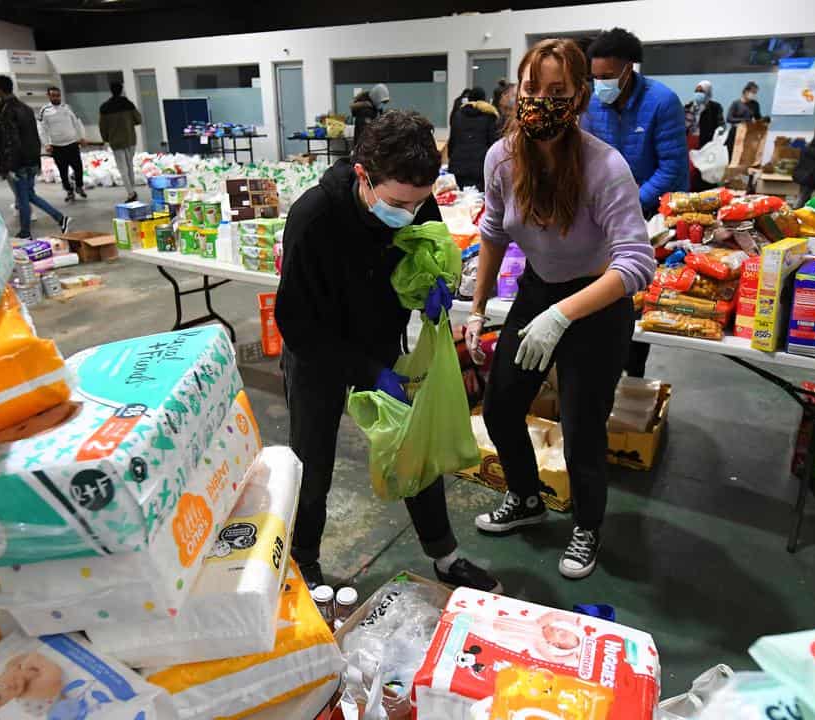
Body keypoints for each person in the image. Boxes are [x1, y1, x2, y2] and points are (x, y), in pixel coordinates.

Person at [275, 109, 500, 594]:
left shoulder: (417, 202)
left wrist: (436, 284)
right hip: (319, 352)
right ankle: (304, 561)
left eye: (419, 203)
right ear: (364, 175)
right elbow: (294, 322)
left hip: (384, 342)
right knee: (312, 463)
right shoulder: (314, 217)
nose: (410, 212)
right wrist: (364, 371)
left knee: (414, 448)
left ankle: (446, 556)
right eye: (399, 201)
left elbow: (429, 246)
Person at [467, 39, 654, 580]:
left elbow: (637, 263)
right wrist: (478, 308)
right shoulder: (501, 157)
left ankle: (587, 526)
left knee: (581, 425)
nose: (540, 101)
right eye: (531, 89)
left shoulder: (605, 166)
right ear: (515, 91)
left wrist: (563, 314)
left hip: (598, 302)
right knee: (501, 406)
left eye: (557, 92)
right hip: (537, 291)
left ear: (579, 98)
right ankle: (526, 499)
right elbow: (494, 231)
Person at [579, 27, 685, 379]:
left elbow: (671, 168)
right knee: (598, 286)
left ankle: (633, 370)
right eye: (595, 77)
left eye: (607, 77)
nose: (600, 85)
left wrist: (629, 203)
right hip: (601, 212)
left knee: (636, 291)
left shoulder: (661, 101)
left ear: (629, 69)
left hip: (649, 212)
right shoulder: (594, 103)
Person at [0, 75, 71, 239]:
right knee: (29, 195)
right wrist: (36, 160)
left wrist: (10, 165)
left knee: (23, 198)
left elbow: (12, 140)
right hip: (32, 158)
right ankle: (60, 218)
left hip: (19, 161)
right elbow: (34, 136)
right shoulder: (25, 108)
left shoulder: (8, 111)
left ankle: (26, 232)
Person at [38, 86, 87, 202]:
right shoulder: (44, 110)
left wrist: (82, 137)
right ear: (49, 96)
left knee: (78, 168)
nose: (56, 97)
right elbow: (41, 129)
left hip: (72, 144)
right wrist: (46, 144)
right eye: (53, 95)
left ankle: (79, 187)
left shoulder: (67, 108)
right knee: (63, 171)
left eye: (58, 95)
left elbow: (77, 123)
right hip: (57, 146)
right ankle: (69, 191)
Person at [447, 87, 498, 191]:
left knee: (461, 201)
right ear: (484, 99)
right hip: (480, 165)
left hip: (459, 164)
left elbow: (453, 139)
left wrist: (451, 157)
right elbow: (493, 142)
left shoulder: (458, 115)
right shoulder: (489, 116)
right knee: (479, 200)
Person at [98, 81, 142, 202]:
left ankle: (131, 193)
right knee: (129, 166)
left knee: (122, 168)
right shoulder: (128, 104)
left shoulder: (105, 107)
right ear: (121, 90)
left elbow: (102, 127)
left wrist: (106, 138)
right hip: (130, 139)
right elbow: (138, 119)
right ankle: (132, 190)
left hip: (116, 142)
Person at [685, 81, 724, 190]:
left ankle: (705, 193)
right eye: (696, 91)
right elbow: (683, 126)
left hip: (707, 144)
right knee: (690, 169)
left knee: (704, 169)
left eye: (701, 91)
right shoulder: (689, 106)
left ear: (708, 92)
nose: (698, 94)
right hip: (690, 141)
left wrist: (719, 136)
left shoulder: (715, 108)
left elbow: (721, 125)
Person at [725, 82, 762, 158]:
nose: (754, 94)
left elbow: (758, 118)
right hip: (735, 133)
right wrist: (744, 120)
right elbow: (729, 118)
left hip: (748, 134)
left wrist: (764, 121)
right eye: (752, 92)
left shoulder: (755, 104)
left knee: (744, 157)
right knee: (732, 156)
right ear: (745, 91)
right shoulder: (736, 103)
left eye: (755, 93)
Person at [349, 83, 389, 148]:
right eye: (382, 102)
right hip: (365, 148)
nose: (383, 104)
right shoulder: (366, 111)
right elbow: (366, 132)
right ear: (376, 98)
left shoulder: (375, 109)